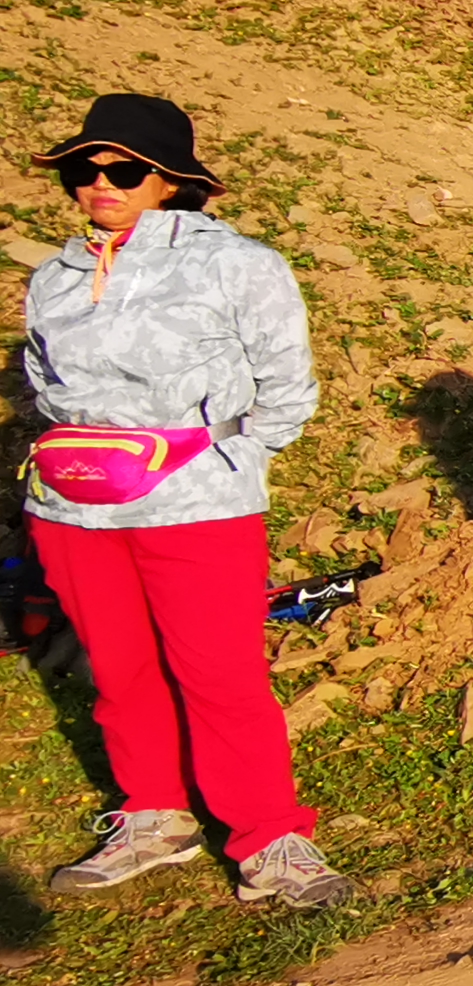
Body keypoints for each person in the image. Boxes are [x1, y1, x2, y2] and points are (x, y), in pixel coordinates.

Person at [21, 94, 349, 909]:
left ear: (170, 181)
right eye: (83, 169)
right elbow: (45, 387)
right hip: (75, 510)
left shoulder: (237, 266)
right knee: (121, 671)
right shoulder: (54, 278)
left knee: (221, 673)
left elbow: (287, 387)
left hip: (199, 504)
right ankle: (153, 815)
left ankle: (270, 838)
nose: (101, 183)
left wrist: (223, 456)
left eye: (123, 169)